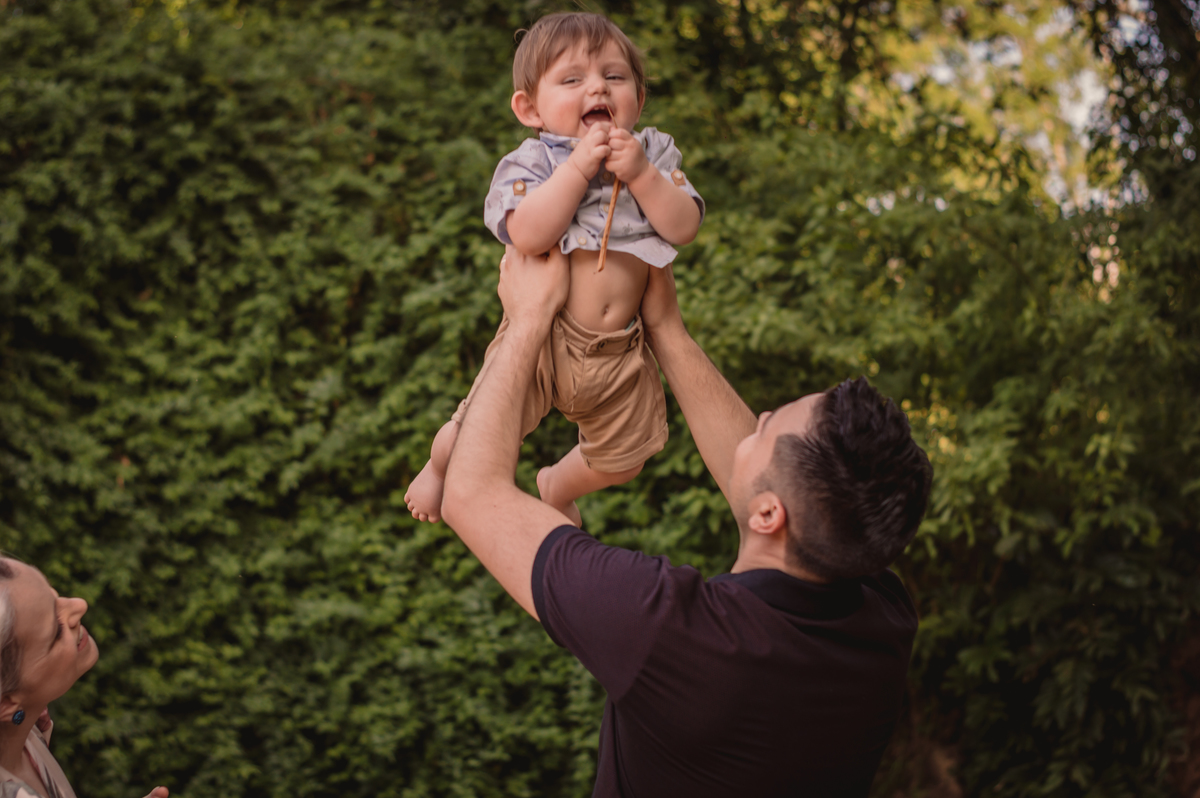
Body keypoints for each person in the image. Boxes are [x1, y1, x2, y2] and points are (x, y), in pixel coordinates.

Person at [440, 247, 932, 797]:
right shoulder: (880, 621)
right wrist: (666, 329)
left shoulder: (674, 635)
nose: (758, 418)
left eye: (766, 429)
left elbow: (470, 494)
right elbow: (778, 490)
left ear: (771, 515)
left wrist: (528, 316)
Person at [405, 12, 705, 526]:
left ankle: (557, 484)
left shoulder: (653, 152)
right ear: (530, 108)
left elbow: (684, 225)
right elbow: (528, 233)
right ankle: (436, 469)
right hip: (544, 337)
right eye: (572, 79)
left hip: (621, 348)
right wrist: (577, 168)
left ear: (639, 97)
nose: (598, 88)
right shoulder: (535, 162)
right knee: (475, 429)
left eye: (614, 76)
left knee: (627, 455)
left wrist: (640, 174)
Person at [0, 558, 169, 798]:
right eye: (56, 631)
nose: (79, 604)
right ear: (5, 703)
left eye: (54, 597)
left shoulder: (24, 733)